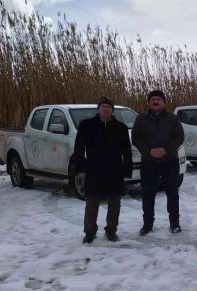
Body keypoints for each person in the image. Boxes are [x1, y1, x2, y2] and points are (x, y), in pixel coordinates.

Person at [74, 97, 132, 244]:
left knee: (115, 203)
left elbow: (127, 151)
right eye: (103, 106)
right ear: (98, 109)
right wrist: (80, 168)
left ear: (112, 110)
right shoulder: (87, 125)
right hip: (94, 170)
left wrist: (127, 170)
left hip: (114, 170)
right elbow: (78, 149)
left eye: (109, 107)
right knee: (91, 203)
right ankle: (89, 232)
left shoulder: (121, 128)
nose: (106, 109)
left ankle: (111, 230)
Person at [132, 89, 185, 235]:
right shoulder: (141, 119)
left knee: (172, 194)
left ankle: (174, 224)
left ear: (164, 102)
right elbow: (135, 138)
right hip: (149, 162)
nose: (155, 101)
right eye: (153, 99)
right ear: (149, 103)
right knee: (148, 194)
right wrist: (148, 151)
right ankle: (147, 225)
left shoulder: (173, 119)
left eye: (158, 99)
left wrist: (165, 150)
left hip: (170, 161)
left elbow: (179, 137)